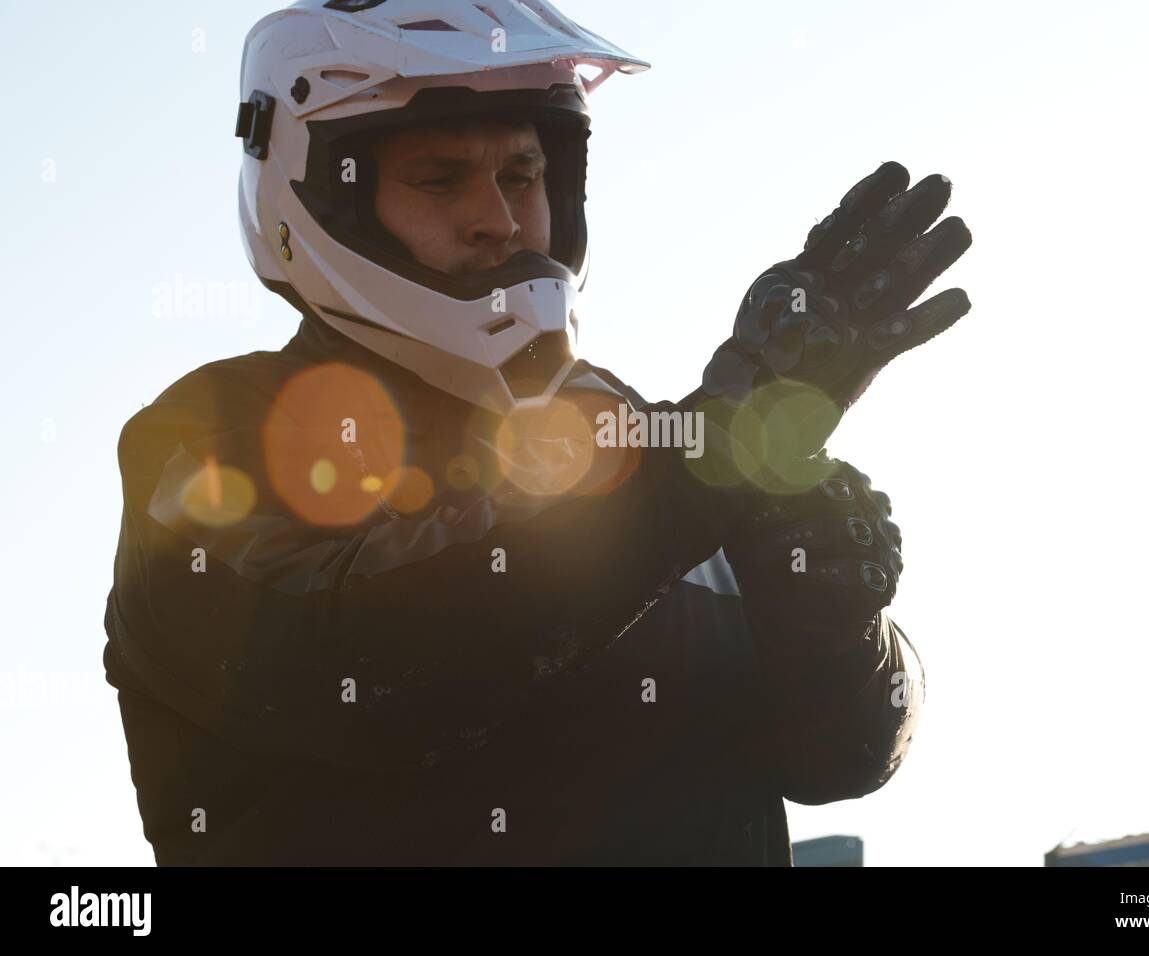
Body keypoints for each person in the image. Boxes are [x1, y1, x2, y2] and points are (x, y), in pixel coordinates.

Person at [102, 0, 973, 865]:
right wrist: (713, 460)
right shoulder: (212, 432)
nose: (502, 219)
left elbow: (839, 761)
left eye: (521, 176)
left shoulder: (646, 435)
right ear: (321, 192)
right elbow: (359, 669)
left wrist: (833, 620)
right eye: (442, 179)